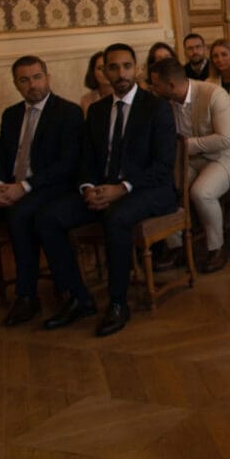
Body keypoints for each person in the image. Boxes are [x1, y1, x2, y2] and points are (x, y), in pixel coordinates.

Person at [35, 43, 178, 337]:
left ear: (136, 69)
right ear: (104, 72)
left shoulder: (157, 107)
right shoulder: (98, 111)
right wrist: (88, 187)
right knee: (47, 218)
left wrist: (121, 188)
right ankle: (78, 297)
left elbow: (163, 165)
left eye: (126, 66)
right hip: (104, 189)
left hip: (151, 189)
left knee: (116, 217)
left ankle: (117, 302)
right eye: (113, 67)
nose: (120, 73)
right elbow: (86, 160)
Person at [0, 56, 83, 324]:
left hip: (48, 187)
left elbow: (67, 165)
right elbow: (1, 158)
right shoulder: (12, 114)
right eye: (24, 80)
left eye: (37, 77)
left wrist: (24, 187)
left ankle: (27, 296)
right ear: (16, 84)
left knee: (20, 214)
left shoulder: (68, 112)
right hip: (10, 186)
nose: (32, 85)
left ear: (48, 78)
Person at [150, 58, 230, 273]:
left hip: (226, 156)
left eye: (156, 84)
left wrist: (184, 146)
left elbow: (225, 140)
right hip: (189, 158)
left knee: (202, 192)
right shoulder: (164, 102)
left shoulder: (213, 94)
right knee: (166, 188)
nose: (153, 88)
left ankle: (216, 248)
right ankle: (176, 247)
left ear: (171, 85)